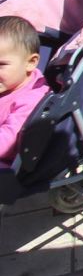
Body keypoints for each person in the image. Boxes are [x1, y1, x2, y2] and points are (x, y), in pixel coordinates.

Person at [0, 15, 47, 165]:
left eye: (1, 65)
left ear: (30, 62)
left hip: (7, 165)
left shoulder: (32, 100)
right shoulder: (7, 84)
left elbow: (8, 140)